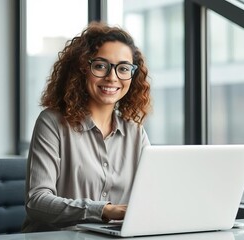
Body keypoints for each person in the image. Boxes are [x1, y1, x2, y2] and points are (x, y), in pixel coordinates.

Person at [21, 21, 151, 232]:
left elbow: (151, 192)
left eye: (123, 68)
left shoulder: (135, 131)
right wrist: (104, 210)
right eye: (100, 65)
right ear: (82, 69)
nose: (112, 77)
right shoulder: (52, 123)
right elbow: (37, 201)